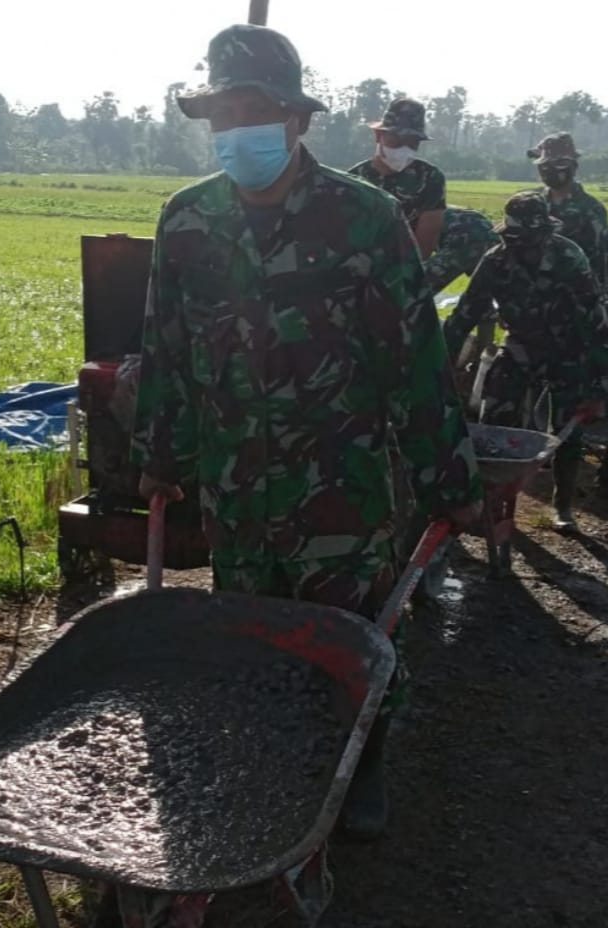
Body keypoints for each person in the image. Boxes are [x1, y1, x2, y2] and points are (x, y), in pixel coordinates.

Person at [129, 24, 482, 927]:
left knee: (352, 635)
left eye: (252, 111)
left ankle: (363, 765)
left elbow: (415, 359)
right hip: (237, 484)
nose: (235, 130)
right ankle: (275, 778)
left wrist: (448, 477)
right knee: (252, 637)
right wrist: (161, 456)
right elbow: (164, 348)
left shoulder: (365, 218)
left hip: (342, 483)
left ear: (294, 119)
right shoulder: (187, 219)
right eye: (222, 115)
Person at [443, 191, 608, 531]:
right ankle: (494, 501)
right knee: (495, 419)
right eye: (515, 240)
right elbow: (464, 316)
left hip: (567, 349)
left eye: (530, 240)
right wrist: (441, 367)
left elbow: (595, 325)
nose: (522, 248)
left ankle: (563, 506)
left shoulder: (569, 258)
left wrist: (597, 388)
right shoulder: (495, 261)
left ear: (545, 234)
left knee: (567, 426)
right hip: (520, 345)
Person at [348, 98, 446, 259]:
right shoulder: (355, 179)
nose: (404, 149)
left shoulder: (429, 178)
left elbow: (424, 246)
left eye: (412, 144)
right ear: (378, 136)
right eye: (397, 141)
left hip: (407, 264)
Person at [528, 131, 608, 287]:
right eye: (544, 165)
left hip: (572, 293)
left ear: (572, 167)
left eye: (554, 165)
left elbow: (599, 265)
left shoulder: (591, 210)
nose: (547, 171)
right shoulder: (532, 203)